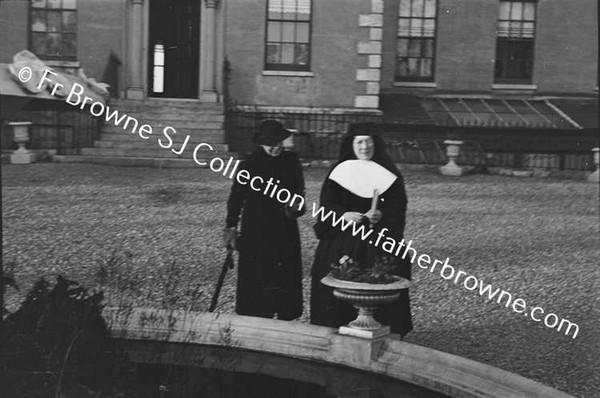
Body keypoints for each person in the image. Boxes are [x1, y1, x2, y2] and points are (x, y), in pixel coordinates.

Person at [309, 122, 413, 338]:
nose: (364, 147)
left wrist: (381, 215)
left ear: (375, 144)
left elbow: (397, 205)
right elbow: (327, 204)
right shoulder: (339, 171)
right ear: (352, 145)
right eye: (359, 142)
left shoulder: (389, 171)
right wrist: (343, 215)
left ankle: (383, 332)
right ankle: (335, 330)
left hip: (377, 238)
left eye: (368, 141)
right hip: (343, 238)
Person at [224, 119, 306, 320]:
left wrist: (296, 206)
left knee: (285, 272)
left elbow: (299, 191)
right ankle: (257, 316)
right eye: (272, 143)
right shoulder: (248, 164)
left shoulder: (291, 161)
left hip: (285, 227)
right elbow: (236, 198)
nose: (277, 147)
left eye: (279, 142)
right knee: (257, 273)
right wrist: (231, 227)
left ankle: (286, 314)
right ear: (261, 143)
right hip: (256, 228)